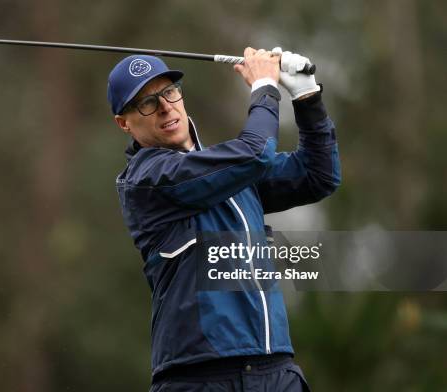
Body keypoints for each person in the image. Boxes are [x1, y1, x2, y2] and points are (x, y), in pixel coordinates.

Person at [107, 47, 340, 391]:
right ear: (124, 123)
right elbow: (256, 152)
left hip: (276, 370)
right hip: (200, 378)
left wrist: (306, 98)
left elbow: (318, 175)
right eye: (146, 102)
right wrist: (264, 86)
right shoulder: (146, 179)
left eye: (169, 91)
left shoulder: (230, 167)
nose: (165, 107)